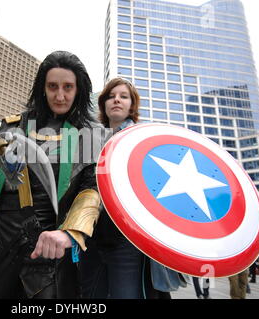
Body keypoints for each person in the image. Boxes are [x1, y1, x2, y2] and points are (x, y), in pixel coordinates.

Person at [0, 51, 102, 299]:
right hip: (1, 239)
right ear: (42, 87)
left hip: (49, 242)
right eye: (52, 86)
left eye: (68, 87)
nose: (60, 95)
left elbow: (92, 189)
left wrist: (70, 232)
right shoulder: (15, 124)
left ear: (79, 90)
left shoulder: (89, 133)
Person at [79, 77, 186, 299]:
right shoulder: (89, 140)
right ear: (103, 104)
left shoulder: (144, 140)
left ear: (131, 105)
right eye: (111, 96)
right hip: (91, 237)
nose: (116, 100)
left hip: (127, 242)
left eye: (123, 96)